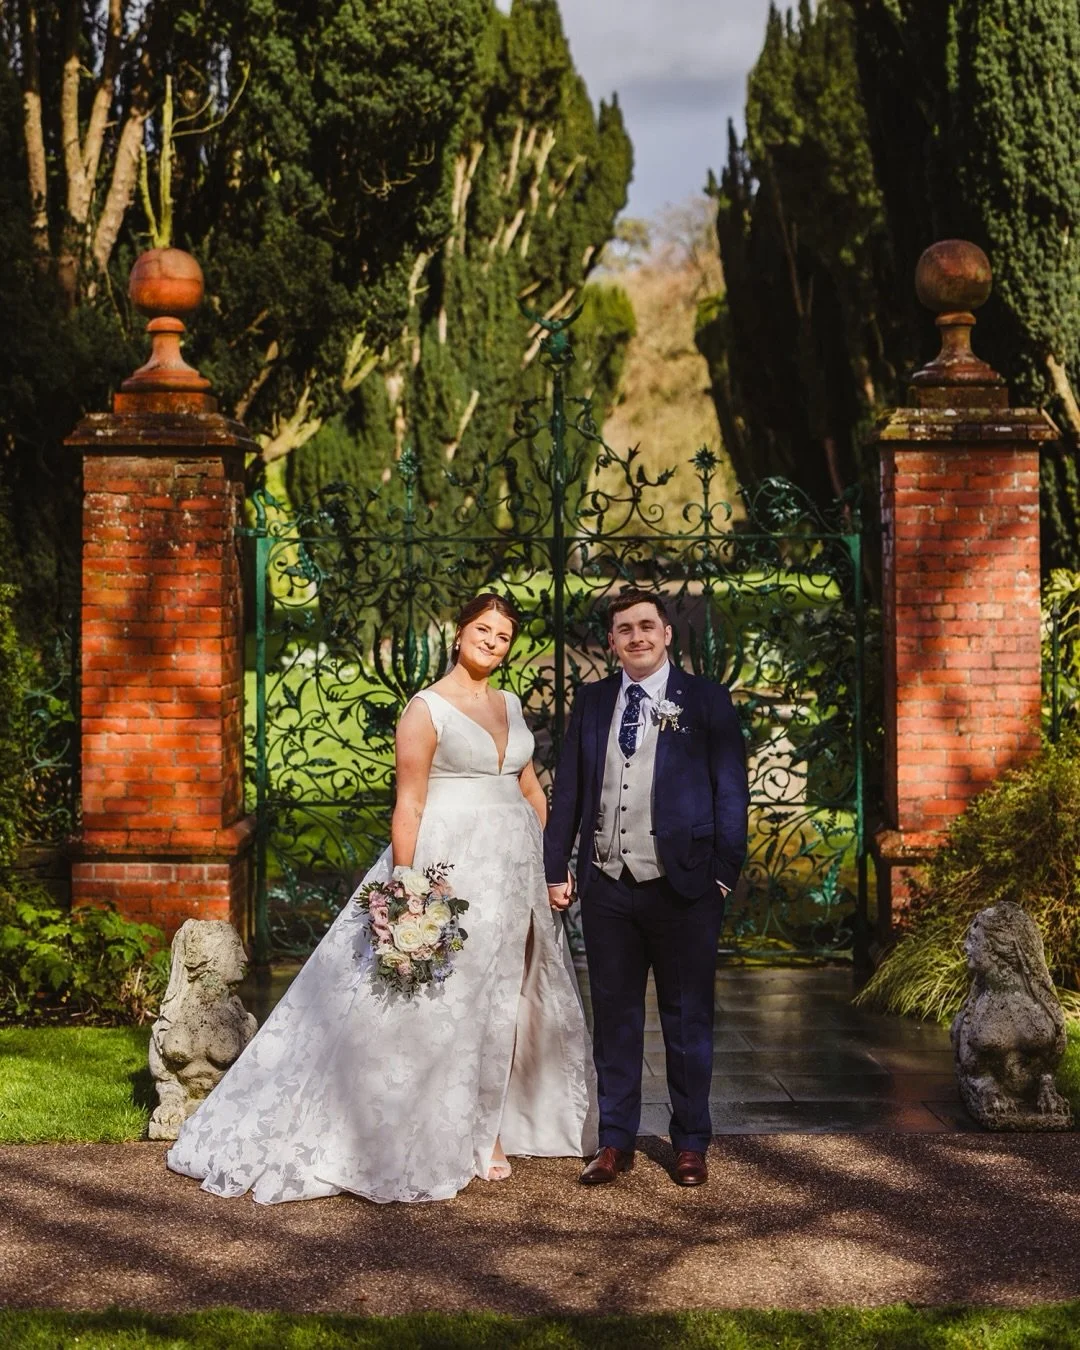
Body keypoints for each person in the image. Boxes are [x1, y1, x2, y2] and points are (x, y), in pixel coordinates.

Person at [167, 593, 596, 1204]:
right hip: (451, 870)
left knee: (508, 994)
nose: (492, 643)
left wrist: (549, 864)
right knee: (449, 998)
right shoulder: (425, 710)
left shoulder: (508, 704)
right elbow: (410, 804)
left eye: (503, 636)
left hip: (516, 873)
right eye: (483, 630)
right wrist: (407, 888)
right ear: (459, 633)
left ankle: (491, 1124)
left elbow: (529, 787)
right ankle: (439, 1129)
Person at [544, 588, 748, 1188]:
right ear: (612, 643)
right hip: (609, 884)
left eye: (646, 627)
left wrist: (721, 874)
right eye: (624, 630)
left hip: (685, 886)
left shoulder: (704, 700)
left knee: (688, 1020)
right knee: (615, 1018)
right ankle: (614, 1141)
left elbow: (732, 791)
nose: (636, 637)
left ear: (665, 635)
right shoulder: (593, 700)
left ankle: (689, 1142)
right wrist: (558, 866)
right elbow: (573, 793)